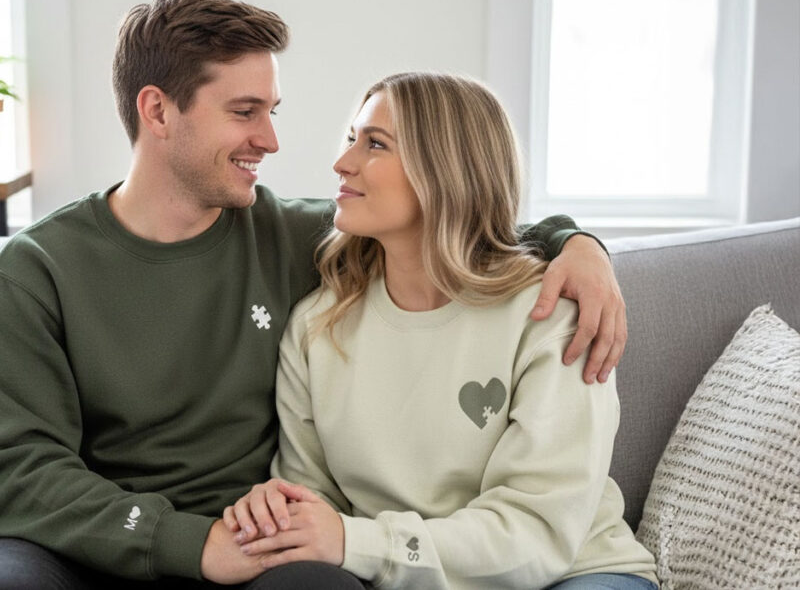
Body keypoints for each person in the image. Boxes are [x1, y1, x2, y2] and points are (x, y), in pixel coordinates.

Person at [0, 0, 628, 589]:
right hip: (97, 550)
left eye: (272, 109)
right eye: (245, 111)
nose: (270, 140)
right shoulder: (34, 271)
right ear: (157, 110)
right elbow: (17, 472)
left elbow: (456, 218)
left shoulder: (300, 238)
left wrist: (576, 243)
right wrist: (187, 541)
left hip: (262, 552)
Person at [223, 72, 658, 589]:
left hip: (570, 573)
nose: (343, 163)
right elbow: (313, 505)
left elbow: (538, 535)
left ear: (446, 169)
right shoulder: (319, 327)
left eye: (376, 144)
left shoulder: (552, 315)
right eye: (351, 139)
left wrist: (355, 541)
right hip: (397, 576)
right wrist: (280, 513)